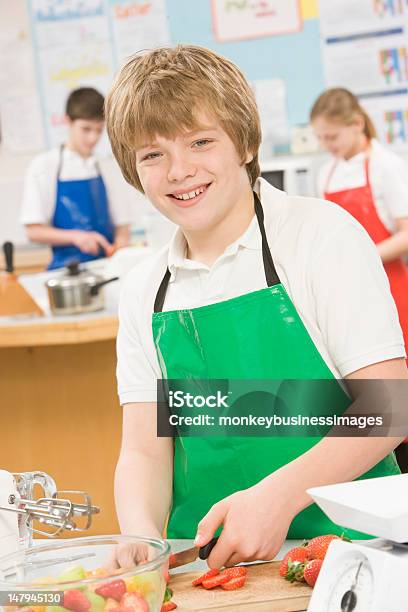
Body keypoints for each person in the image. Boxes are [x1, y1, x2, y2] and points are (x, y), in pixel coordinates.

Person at [106, 46, 407, 569]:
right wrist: (141, 535)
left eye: (200, 141)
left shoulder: (319, 237)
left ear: (245, 142)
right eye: (152, 154)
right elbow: (144, 450)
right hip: (209, 569)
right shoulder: (143, 289)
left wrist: (279, 498)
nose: (180, 170)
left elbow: (390, 405)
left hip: (345, 559)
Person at [311, 87, 408, 473]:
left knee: (395, 381)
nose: (326, 145)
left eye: (331, 137)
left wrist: (361, 256)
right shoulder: (328, 172)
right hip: (347, 294)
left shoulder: (386, 165)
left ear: (355, 125)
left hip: (394, 288)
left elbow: (405, 233)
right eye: (320, 138)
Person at [21, 87, 131, 270]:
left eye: (98, 130)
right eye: (86, 129)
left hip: (107, 268)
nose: (93, 138)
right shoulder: (45, 166)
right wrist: (77, 237)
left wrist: (119, 247)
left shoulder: (107, 167)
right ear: (68, 121)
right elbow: (33, 231)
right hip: (66, 270)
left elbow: (123, 228)